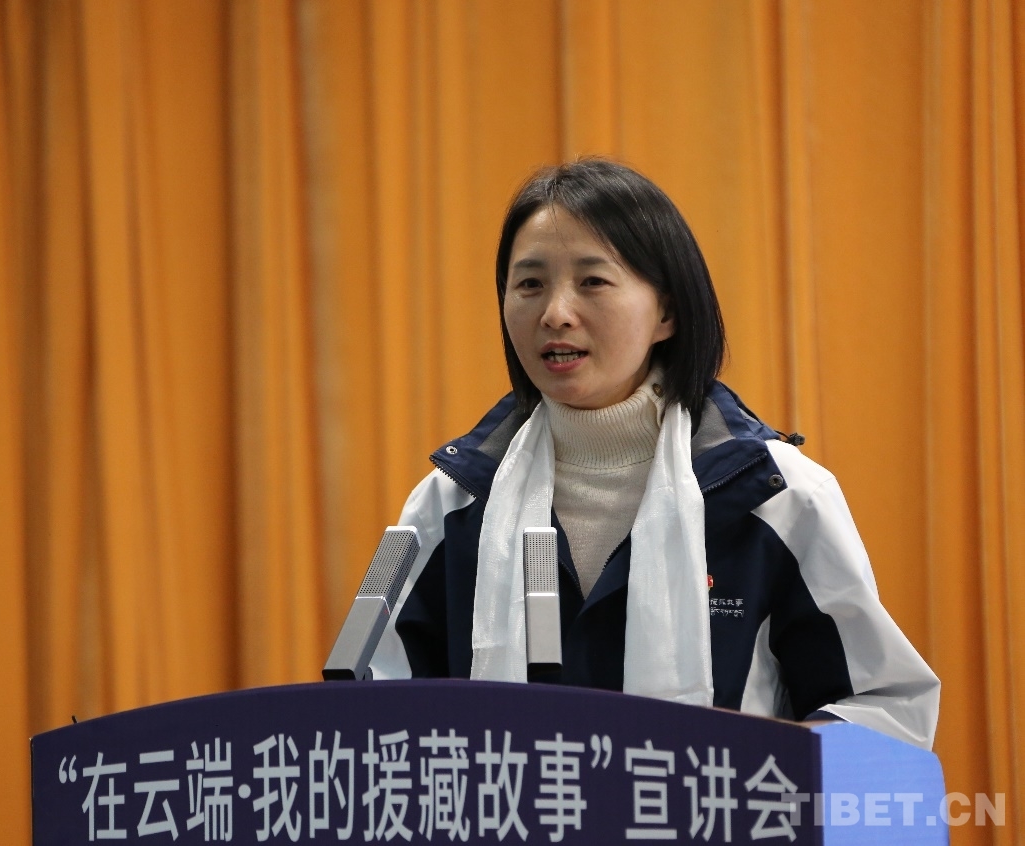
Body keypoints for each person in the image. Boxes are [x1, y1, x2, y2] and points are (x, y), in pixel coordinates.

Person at [368, 159, 939, 750]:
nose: (555, 313)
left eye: (592, 281)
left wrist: (753, 767)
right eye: (530, 284)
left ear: (666, 311)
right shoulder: (453, 504)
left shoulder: (775, 496)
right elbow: (376, 717)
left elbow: (884, 709)